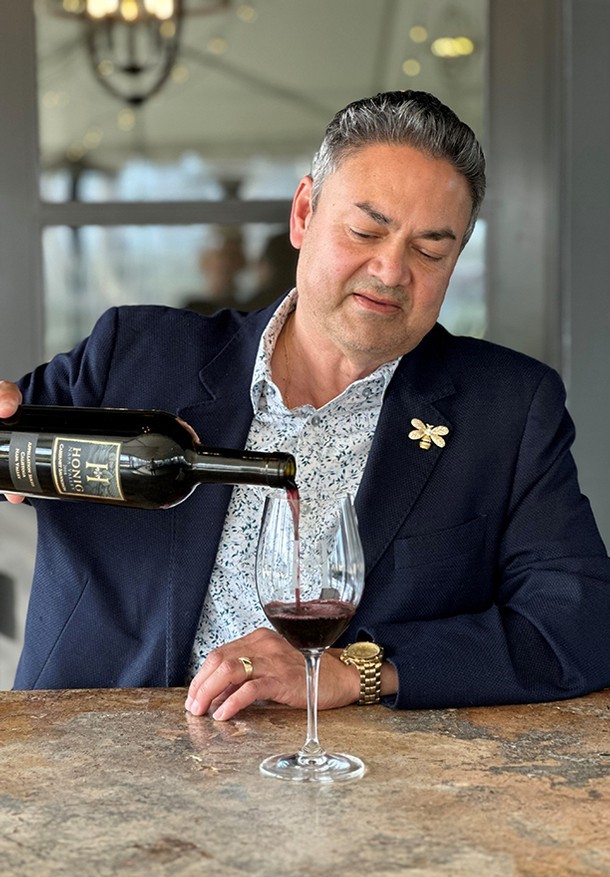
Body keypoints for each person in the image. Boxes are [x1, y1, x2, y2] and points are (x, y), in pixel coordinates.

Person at [1, 91, 609, 721]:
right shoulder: (136, 356)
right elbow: (12, 444)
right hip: (96, 770)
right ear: (303, 214)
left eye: (430, 250)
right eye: (366, 230)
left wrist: (358, 669)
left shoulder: (506, 409)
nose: (392, 269)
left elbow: (580, 621)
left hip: (361, 789)